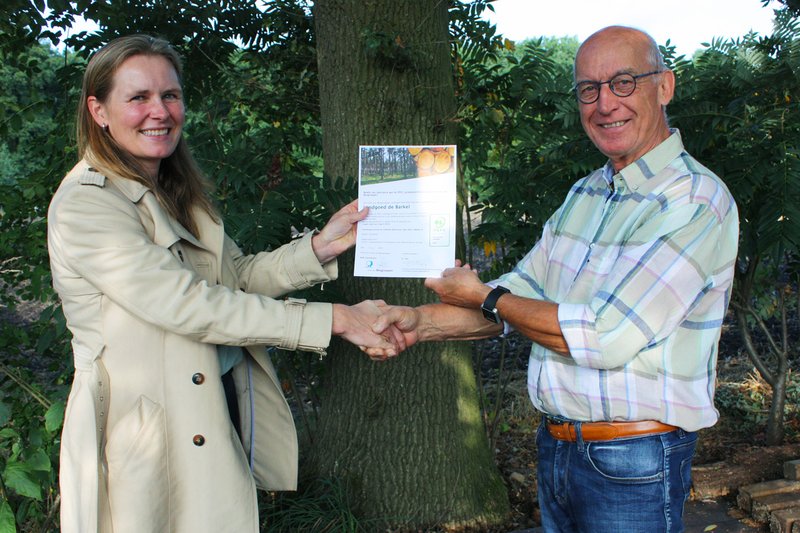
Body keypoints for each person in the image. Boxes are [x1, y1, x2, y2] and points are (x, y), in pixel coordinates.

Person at [374, 26, 739, 532]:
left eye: (624, 82)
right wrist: (417, 323)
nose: (605, 103)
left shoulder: (692, 200)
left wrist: (487, 297)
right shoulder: (586, 193)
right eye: (589, 89)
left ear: (664, 86)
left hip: (633, 459)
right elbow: (520, 300)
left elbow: (603, 336)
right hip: (558, 449)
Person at [47, 34, 400, 533]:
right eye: (138, 97)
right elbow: (188, 304)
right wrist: (335, 320)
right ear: (98, 110)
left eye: (170, 95)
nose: (160, 111)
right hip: (144, 432)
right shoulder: (87, 203)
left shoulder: (175, 192)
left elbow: (235, 279)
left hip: (210, 408)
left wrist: (320, 247)